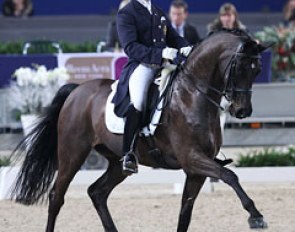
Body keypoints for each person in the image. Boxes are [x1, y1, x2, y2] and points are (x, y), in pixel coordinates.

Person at [113, 0, 191, 175]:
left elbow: (173, 37)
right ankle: (128, 154)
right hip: (142, 66)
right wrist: (160, 53)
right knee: (138, 101)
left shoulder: (157, 11)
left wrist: (185, 46)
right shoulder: (127, 13)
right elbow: (131, 47)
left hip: (164, 65)